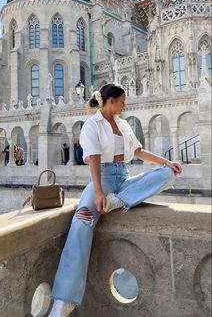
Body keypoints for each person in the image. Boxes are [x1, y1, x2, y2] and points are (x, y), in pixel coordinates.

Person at [47, 83, 182, 317]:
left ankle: (119, 201)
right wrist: (98, 192)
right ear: (111, 101)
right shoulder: (92, 124)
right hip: (103, 178)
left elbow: (138, 152)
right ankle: (63, 301)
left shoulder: (123, 124)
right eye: (122, 101)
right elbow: (95, 160)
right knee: (82, 221)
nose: (124, 105)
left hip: (124, 177)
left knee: (169, 174)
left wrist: (166, 163)